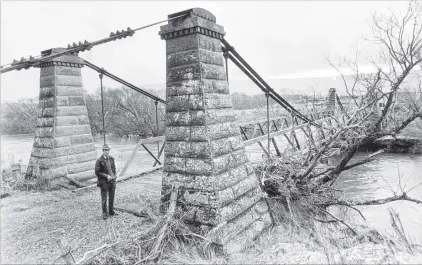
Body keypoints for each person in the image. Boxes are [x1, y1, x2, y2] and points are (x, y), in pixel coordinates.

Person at [95, 144, 118, 220]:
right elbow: (97, 172)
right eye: (104, 150)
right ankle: (104, 213)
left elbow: (114, 169)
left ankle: (111, 211)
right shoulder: (99, 160)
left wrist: (114, 176)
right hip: (104, 182)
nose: (106, 152)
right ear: (103, 151)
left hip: (112, 181)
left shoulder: (112, 158)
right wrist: (107, 176)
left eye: (107, 150)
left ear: (109, 151)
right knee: (104, 198)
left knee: (112, 197)